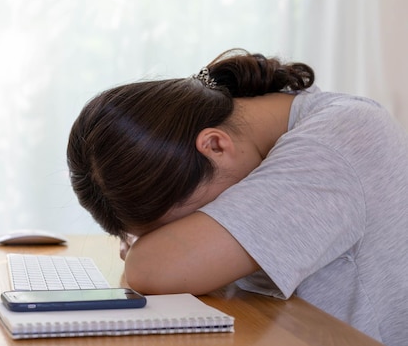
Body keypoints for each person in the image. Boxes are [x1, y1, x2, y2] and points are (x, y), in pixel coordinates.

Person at [66, 49, 408, 346]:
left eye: (186, 221)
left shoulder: (338, 141)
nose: (183, 232)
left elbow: (149, 267)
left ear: (215, 145)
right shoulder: (283, 131)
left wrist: (150, 249)